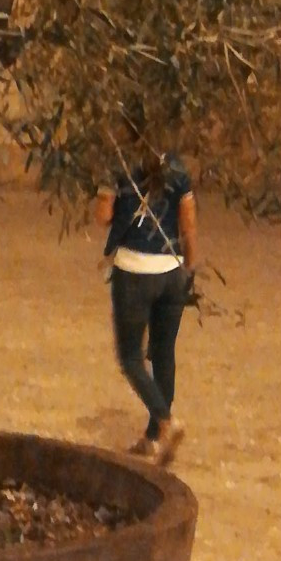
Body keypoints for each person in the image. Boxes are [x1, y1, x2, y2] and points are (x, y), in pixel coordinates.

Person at [92, 143, 198, 465]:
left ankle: (165, 420)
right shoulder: (177, 166)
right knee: (164, 352)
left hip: (134, 271)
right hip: (171, 271)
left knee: (130, 356)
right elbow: (188, 224)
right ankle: (153, 439)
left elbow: (104, 216)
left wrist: (103, 192)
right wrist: (189, 267)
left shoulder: (119, 164)